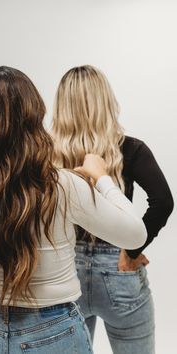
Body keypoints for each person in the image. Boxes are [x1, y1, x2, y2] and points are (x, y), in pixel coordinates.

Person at [0, 66, 147, 354]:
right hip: (52, 333)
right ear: (32, 116)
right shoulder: (60, 185)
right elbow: (136, 235)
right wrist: (102, 179)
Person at [51, 65, 174, 354]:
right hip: (119, 271)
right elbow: (163, 202)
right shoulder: (131, 149)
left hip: (67, 271)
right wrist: (130, 251)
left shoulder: (46, 153)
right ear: (105, 101)